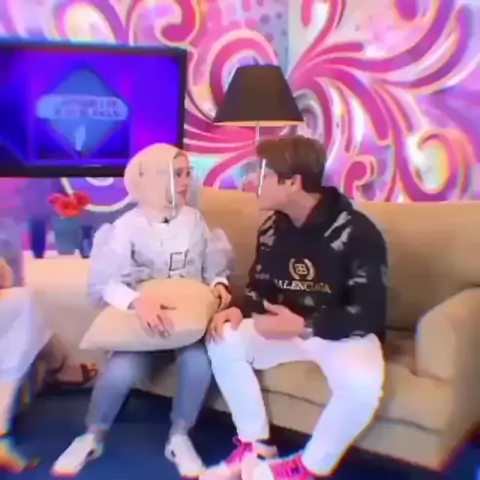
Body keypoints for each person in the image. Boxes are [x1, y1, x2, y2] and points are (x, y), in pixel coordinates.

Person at [203, 135, 387, 480]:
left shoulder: (359, 233)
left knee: (363, 388)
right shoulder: (273, 228)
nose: (252, 182)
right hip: (283, 329)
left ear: (293, 182)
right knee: (223, 336)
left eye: (263, 174)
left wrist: (306, 325)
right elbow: (260, 286)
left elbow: (370, 313)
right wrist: (240, 309)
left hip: (340, 333)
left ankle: (307, 468)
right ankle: (255, 446)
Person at [51, 144, 233, 478]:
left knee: (198, 362)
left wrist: (219, 286)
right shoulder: (126, 226)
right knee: (120, 370)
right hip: (145, 320)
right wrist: (139, 302)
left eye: (187, 173)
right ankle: (92, 436)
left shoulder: (195, 220)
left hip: (189, 322)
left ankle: (179, 436)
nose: (185, 181)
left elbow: (213, 268)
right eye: (177, 174)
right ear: (152, 178)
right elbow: (106, 283)